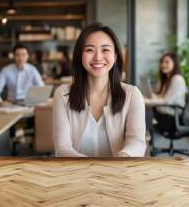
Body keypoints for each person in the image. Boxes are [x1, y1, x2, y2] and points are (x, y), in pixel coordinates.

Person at [52, 22, 147, 157]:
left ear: (115, 57)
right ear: (80, 56)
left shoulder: (132, 95)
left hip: (119, 174)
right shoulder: (63, 95)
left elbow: (137, 141)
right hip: (76, 175)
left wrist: (123, 157)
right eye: (89, 50)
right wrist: (93, 167)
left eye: (105, 50)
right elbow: (62, 148)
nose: (97, 57)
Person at [152, 53, 187, 133]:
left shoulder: (177, 79)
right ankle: (146, 135)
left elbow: (167, 100)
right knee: (145, 107)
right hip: (167, 111)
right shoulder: (167, 79)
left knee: (145, 108)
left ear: (174, 64)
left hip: (173, 116)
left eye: (167, 62)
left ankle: (146, 135)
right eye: (162, 62)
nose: (163, 65)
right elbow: (161, 96)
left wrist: (148, 101)